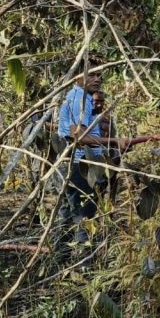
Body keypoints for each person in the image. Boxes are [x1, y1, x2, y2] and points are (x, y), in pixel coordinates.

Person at [56, 71, 105, 243]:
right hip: (80, 165)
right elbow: (81, 137)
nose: (97, 79)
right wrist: (116, 141)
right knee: (83, 217)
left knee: (69, 215)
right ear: (77, 76)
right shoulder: (80, 100)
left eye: (99, 75)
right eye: (91, 75)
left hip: (71, 163)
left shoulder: (78, 97)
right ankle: (84, 264)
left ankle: (59, 261)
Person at [89, 89, 121, 202]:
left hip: (105, 158)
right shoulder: (83, 118)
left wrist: (116, 157)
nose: (99, 104)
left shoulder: (108, 119)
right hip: (89, 160)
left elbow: (113, 139)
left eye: (101, 101)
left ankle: (106, 210)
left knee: (104, 187)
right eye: (96, 101)